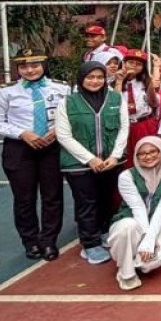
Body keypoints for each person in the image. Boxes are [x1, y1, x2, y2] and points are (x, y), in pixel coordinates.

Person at [0, 48, 67, 261]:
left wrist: (56, 131)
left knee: (53, 196)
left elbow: (68, 114)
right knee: (24, 198)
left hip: (52, 146)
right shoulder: (5, 92)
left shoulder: (61, 88)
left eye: (35, 65)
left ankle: (49, 240)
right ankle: (30, 242)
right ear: (18, 68)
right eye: (24, 66)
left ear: (44, 65)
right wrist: (22, 133)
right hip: (20, 148)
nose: (30, 70)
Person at [57, 61, 130, 265]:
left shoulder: (116, 98)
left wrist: (115, 156)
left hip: (110, 161)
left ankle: (105, 231)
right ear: (81, 79)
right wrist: (90, 159)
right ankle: (90, 243)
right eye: (90, 77)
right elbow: (63, 135)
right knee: (86, 202)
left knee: (107, 199)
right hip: (79, 164)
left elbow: (123, 129)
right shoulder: (68, 102)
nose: (95, 81)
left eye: (99, 77)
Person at [108, 136, 161, 291]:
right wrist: (147, 238)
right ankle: (126, 272)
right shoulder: (126, 176)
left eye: (153, 151)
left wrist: (150, 239)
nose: (148, 156)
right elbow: (137, 208)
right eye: (142, 154)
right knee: (127, 227)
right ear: (136, 156)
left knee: (158, 258)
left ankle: (133, 259)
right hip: (132, 219)